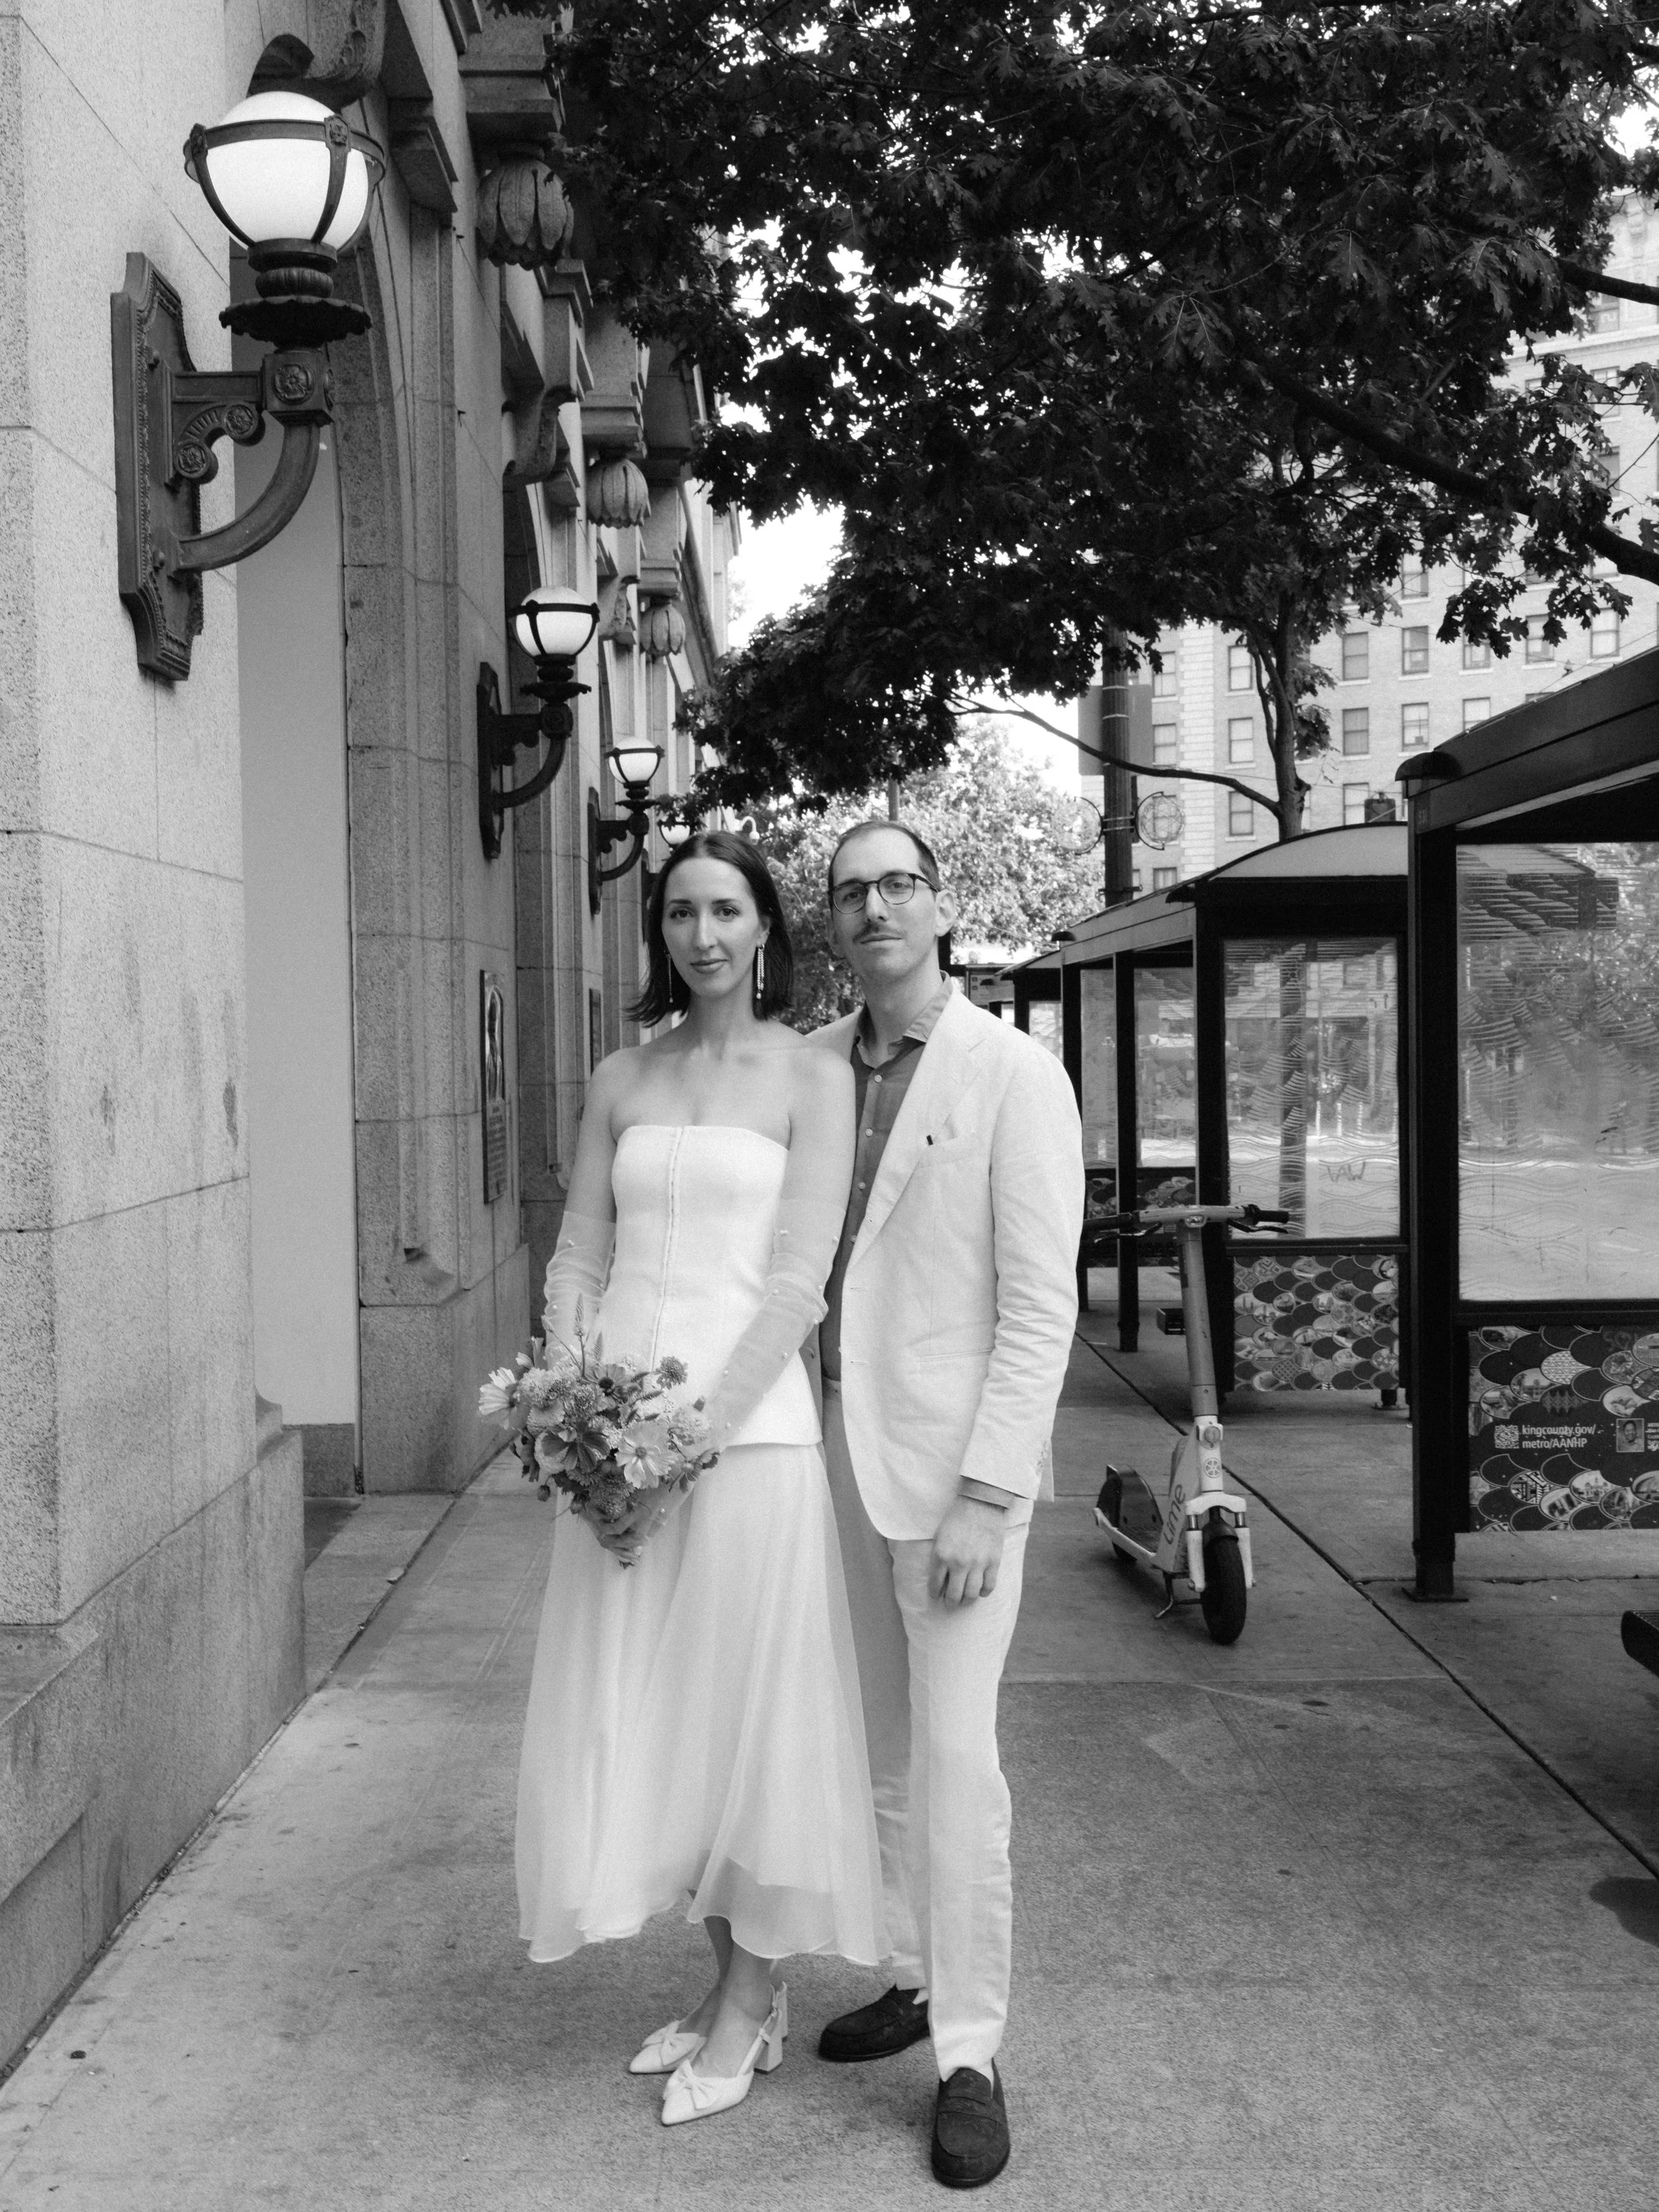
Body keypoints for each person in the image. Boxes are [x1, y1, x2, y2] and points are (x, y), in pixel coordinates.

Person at [515, 830, 883, 2129]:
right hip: (615, 1446)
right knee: (657, 1721)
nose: (703, 933)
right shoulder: (622, 1074)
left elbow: (797, 1284)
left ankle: (744, 2006)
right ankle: (739, 1987)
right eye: (680, 911)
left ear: (764, 926)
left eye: (727, 909)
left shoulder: (810, 1074)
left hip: (749, 1443)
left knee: (748, 1726)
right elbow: (579, 1255)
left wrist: (688, 1442)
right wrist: (572, 1407)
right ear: (658, 931)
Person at [810, 820, 1084, 2189]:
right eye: (850, 891)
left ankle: (970, 2053)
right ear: (831, 923)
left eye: (897, 884)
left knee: (957, 1761)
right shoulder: (810, 1067)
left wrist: (989, 1489)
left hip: (953, 1477)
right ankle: (913, 1977)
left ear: (939, 907)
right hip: (824, 1460)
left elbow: (1040, 1305)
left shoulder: (1011, 1072)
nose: (875, 908)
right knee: (876, 1750)